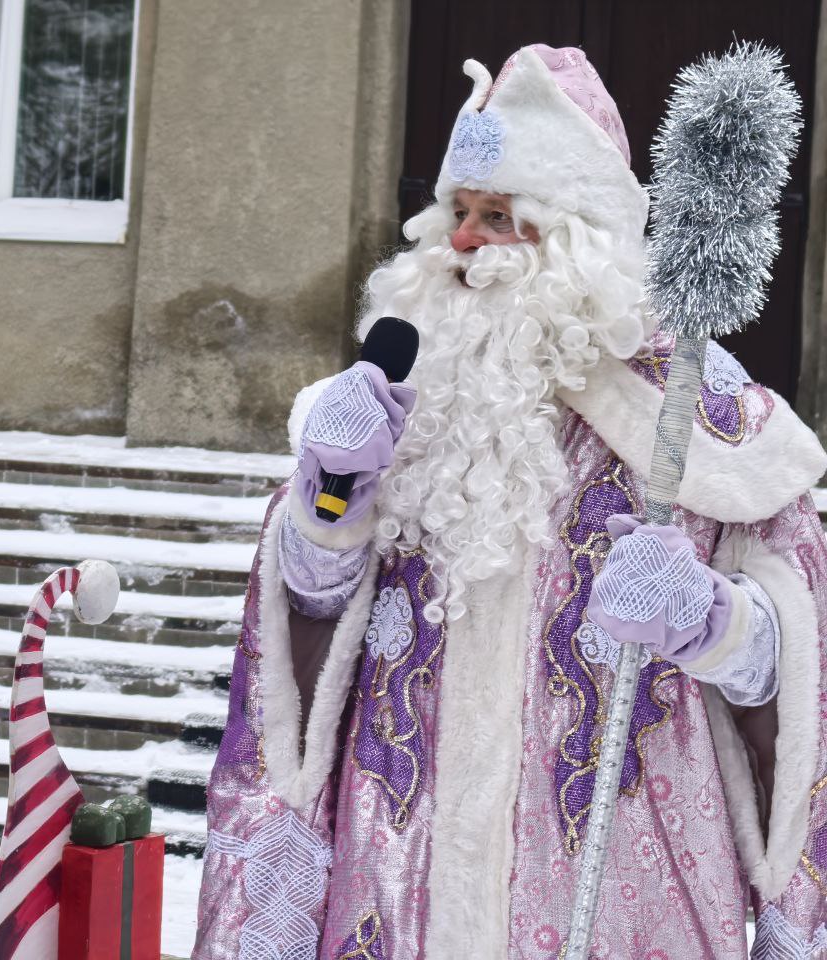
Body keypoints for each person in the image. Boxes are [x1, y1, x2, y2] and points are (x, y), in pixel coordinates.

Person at [194, 44, 827, 958]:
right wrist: (328, 491)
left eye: (498, 217)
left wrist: (709, 618)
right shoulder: (406, 395)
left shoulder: (698, 414)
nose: (461, 242)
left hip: (620, 891)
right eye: (457, 213)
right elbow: (311, 621)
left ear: (574, 236)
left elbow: (795, 671)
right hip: (396, 883)